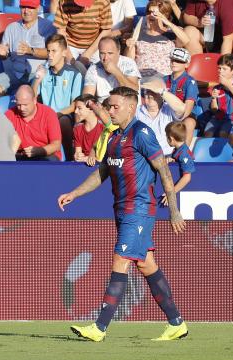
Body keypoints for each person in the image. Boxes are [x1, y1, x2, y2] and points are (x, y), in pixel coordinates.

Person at [58, 86, 188, 342]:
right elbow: (102, 172)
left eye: (115, 106)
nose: (111, 111)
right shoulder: (115, 138)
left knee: (120, 261)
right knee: (145, 263)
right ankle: (176, 323)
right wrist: (74, 193)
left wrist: (174, 210)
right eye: (109, 106)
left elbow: (164, 170)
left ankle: (99, 327)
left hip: (139, 209)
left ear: (131, 106)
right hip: (122, 208)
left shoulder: (143, 133)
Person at [0, 0, 56, 99]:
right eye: (23, 7)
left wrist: (31, 51)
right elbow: (5, 56)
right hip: (16, 73)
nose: (26, 11)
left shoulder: (48, 27)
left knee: (40, 84)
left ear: (38, 8)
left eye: (30, 8)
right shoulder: (11, 28)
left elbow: (53, 53)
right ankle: (0, 113)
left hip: (37, 73)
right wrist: (2, 54)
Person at [32, 34, 83, 158]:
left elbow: (74, 105)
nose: (50, 55)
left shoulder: (74, 74)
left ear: (64, 52)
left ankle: (70, 158)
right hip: (44, 117)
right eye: (48, 51)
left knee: (63, 121)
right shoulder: (43, 71)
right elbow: (32, 99)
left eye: (54, 51)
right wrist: (37, 80)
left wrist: (55, 115)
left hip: (63, 116)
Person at [124, 0, 191, 79]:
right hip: (143, 77)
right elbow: (129, 62)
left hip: (164, 78)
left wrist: (166, 22)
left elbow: (186, 40)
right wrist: (128, 47)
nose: (151, 15)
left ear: (165, 15)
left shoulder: (172, 33)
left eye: (155, 13)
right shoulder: (138, 33)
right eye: (149, 12)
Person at [5, 85, 62, 161]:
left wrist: (39, 151)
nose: (22, 108)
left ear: (34, 101)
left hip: (45, 156)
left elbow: (56, 145)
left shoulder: (49, 114)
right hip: (19, 156)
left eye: (25, 105)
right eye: (18, 105)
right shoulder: (9, 114)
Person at [136, 78, 188, 156]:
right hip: (143, 158)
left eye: (153, 91)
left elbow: (182, 108)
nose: (149, 94)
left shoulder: (169, 109)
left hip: (168, 157)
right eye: (147, 91)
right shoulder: (137, 112)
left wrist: (161, 91)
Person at [53, 0, 113, 65]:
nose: (84, 8)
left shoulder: (103, 2)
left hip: (95, 44)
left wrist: (88, 53)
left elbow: (106, 30)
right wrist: (69, 56)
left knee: (101, 68)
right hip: (70, 44)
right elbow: (61, 30)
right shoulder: (65, 2)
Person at [83, 37, 141, 103]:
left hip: (125, 106)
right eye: (102, 53)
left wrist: (116, 72)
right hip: (103, 108)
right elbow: (87, 98)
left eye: (110, 53)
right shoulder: (93, 69)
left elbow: (133, 91)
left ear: (118, 51)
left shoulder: (128, 63)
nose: (105, 58)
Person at [200, 54, 233, 138]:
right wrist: (214, 98)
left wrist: (228, 84)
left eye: (224, 69)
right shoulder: (217, 87)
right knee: (208, 133)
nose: (220, 71)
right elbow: (214, 110)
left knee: (223, 133)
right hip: (217, 118)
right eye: (219, 68)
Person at [163, 48, 198, 146]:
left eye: (179, 61)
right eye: (172, 60)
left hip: (184, 115)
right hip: (165, 112)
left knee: (190, 123)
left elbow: (188, 108)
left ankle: (183, 152)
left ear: (186, 64)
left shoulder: (190, 82)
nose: (174, 63)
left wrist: (176, 120)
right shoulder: (164, 79)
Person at [161, 121, 195, 206]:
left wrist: (171, 194)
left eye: (166, 137)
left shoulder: (184, 154)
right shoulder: (177, 150)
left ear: (171, 139)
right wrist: (171, 160)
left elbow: (187, 177)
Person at [72, 94, 105, 163]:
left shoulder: (104, 127)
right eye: (75, 108)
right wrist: (78, 156)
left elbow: (107, 157)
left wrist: (88, 158)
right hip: (84, 165)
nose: (75, 111)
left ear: (90, 108)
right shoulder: (77, 129)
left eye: (79, 108)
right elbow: (78, 152)